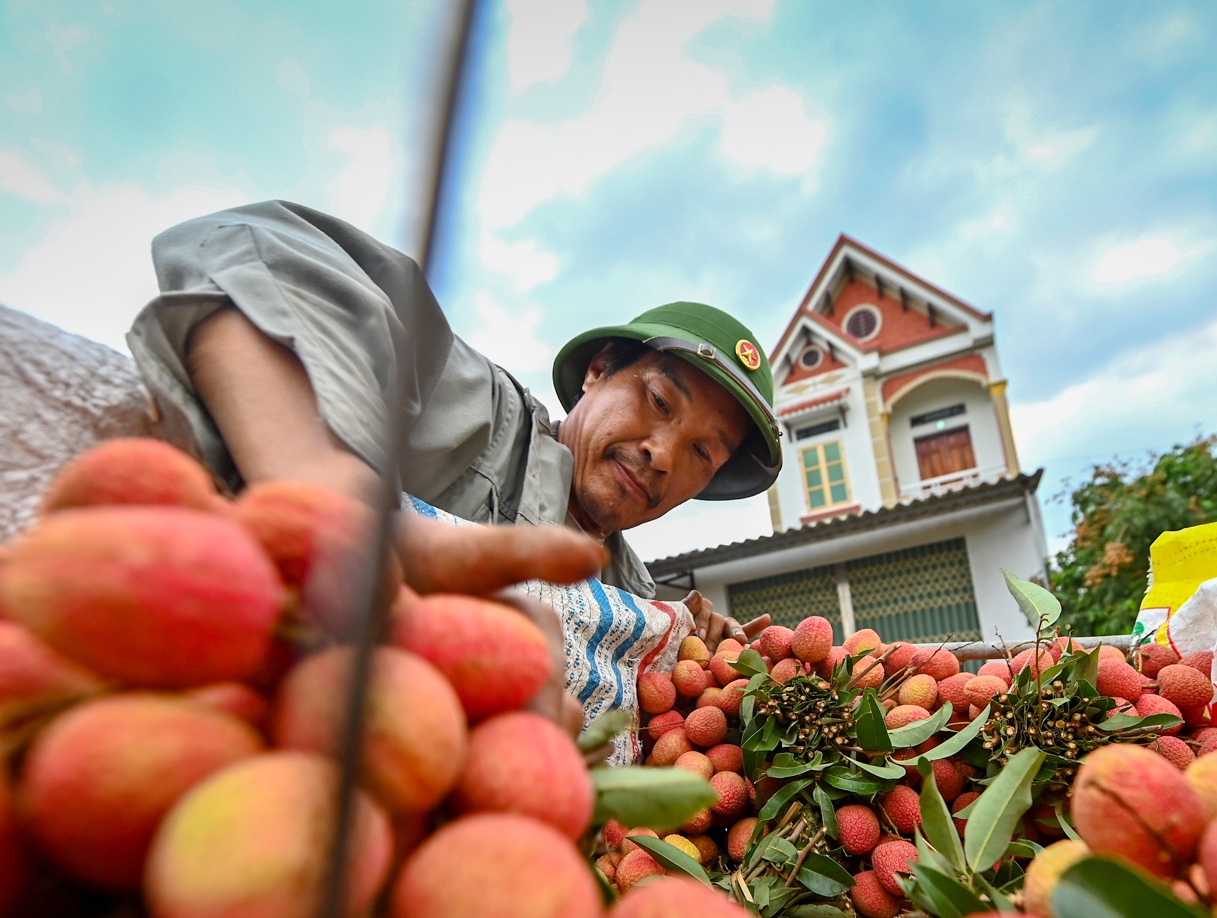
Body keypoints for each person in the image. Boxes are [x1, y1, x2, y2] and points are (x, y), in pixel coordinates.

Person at [128, 200, 776, 646]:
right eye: (661, 401)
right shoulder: (482, 415)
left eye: (702, 454)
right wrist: (327, 500)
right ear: (599, 368)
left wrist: (692, 645)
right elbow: (243, 241)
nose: (663, 454)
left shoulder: (633, 594)